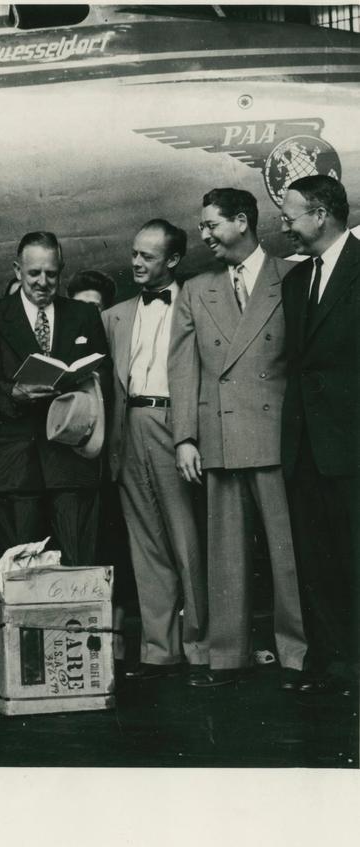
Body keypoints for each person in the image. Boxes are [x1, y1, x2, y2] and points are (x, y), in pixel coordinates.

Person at [169, 188, 307, 688]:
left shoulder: (292, 277)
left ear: (243, 222)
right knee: (224, 556)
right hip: (219, 436)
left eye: (211, 226)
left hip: (275, 437)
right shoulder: (194, 290)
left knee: (288, 554)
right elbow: (182, 369)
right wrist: (184, 436)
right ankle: (227, 657)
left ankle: (297, 655)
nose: (203, 236)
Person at [103, 219, 208, 679]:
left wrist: (189, 435)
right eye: (134, 253)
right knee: (145, 543)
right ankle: (159, 651)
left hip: (176, 425)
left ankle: (202, 648)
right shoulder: (115, 315)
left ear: (173, 260)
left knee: (188, 540)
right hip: (129, 429)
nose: (136, 262)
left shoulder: (198, 303)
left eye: (147, 255)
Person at [0, 230, 108, 565]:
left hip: (71, 461)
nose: (42, 282)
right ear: (17, 270)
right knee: (19, 574)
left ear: (61, 270)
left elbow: (102, 372)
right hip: (16, 463)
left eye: (51, 274)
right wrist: (12, 393)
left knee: (79, 567)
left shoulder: (84, 315)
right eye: (33, 274)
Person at [279, 175, 359, 694]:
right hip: (306, 446)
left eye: (291, 216)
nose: (284, 225)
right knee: (317, 557)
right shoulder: (294, 281)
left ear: (322, 213)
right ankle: (337, 664)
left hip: (351, 444)